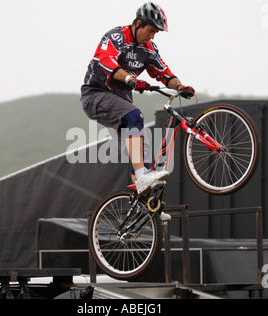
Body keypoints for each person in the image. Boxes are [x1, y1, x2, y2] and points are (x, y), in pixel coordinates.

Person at [81, 2, 195, 199]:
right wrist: (130, 80)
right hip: (96, 95)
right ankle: (142, 177)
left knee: (142, 152)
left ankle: (145, 207)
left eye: (155, 33)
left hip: (119, 102)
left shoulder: (149, 48)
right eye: (150, 31)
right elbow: (106, 61)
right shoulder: (116, 36)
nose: (152, 36)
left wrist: (180, 86)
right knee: (135, 115)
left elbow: (163, 72)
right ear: (139, 23)